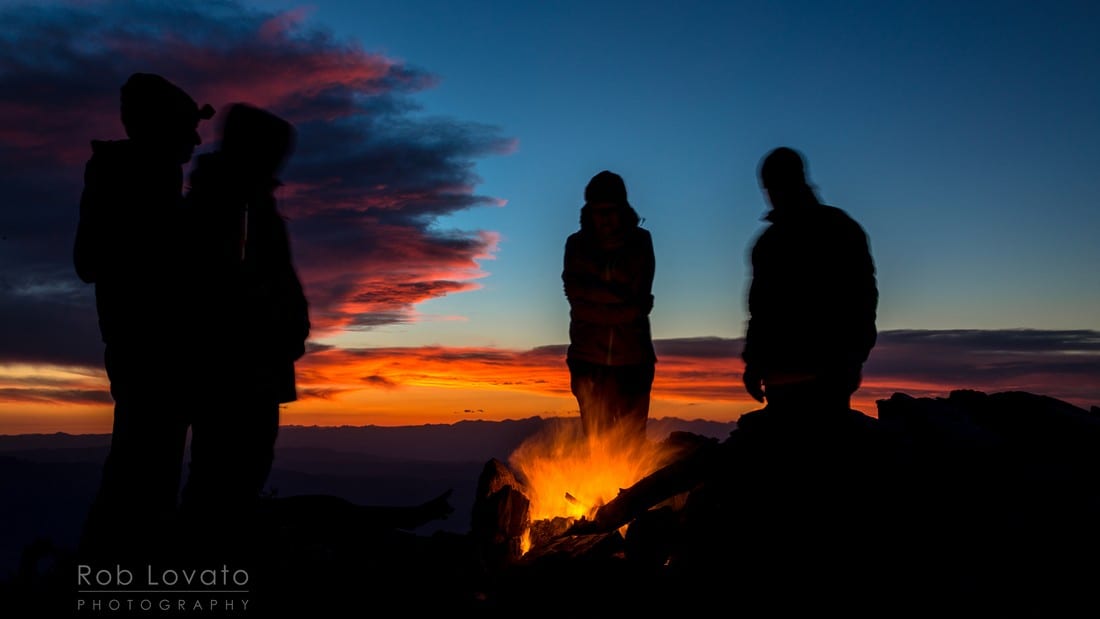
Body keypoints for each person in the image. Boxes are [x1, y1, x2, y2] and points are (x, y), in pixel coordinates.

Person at [73, 72, 215, 562]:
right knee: (143, 470)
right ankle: (116, 573)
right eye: (186, 126)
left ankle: (122, 566)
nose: (196, 139)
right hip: (148, 352)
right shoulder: (133, 175)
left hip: (155, 351)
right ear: (158, 126)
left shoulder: (149, 178)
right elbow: (91, 262)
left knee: (146, 468)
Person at [180, 102, 310, 547]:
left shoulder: (243, 200)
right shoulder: (233, 205)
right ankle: (212, 574)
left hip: (249, 370)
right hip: (239, 375)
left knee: (228, 480)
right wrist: (278, 332)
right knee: (226, 482)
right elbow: (233, 291)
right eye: (274, 152)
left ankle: (214, 565)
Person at [740, 146, 878, 415]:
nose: (771, 194)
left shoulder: (836, 229)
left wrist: (852, 358)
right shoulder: (769, 242)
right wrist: (754, 364)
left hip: (826, 372)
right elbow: (761, 310)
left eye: (775, 185)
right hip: (786, 374)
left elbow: (860, 298)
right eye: (768, 187)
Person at [562, 170, 656, 442]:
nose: (604, 218)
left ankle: (633, 487)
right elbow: (577, 299)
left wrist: (596, 297)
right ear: (588, 210)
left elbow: (639, 299)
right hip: (588, 362)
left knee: (632, 444)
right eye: (598, 211)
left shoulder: (640, 242)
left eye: (611, 210)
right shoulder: (576, 245)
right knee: (597, 445)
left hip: (634, 362)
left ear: (623, 209)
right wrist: (623, 302)